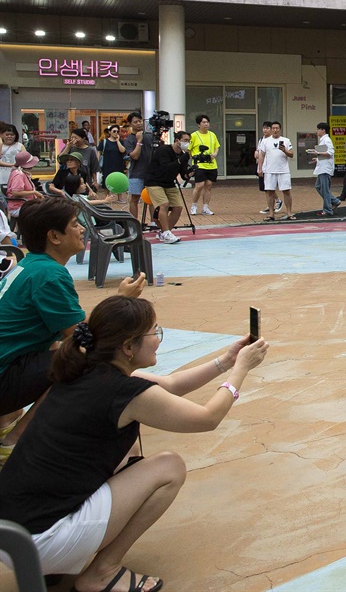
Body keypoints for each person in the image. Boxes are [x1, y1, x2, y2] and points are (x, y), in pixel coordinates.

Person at [0, 294, 268, 589]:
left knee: (129, 445)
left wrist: (227, 361)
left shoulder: (83, 369)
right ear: (128, 346)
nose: (158, 338)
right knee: (169, 467)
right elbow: (208, 418)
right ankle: (103, 571)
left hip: (13, 534)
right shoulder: (125, 393)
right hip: (42, 541)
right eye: (154, 332)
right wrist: (241, 371)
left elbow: (172, 385)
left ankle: (58, 567)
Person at [0, 198, 146, 465]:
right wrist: (120, 299)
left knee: (54, 347)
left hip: (7, 369)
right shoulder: (49, 275)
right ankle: (16, 440)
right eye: (74, 224)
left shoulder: (31, 265)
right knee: (80, 362)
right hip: (4, 378)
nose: (82, 229)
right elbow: (84, 337)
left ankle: (8, 423)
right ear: (54, 236)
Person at [143, 130, 191, 245]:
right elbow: (166, 167)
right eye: (185, 140)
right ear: (177, 140)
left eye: (189, 141)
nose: (187, 143)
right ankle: (166, 233)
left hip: (169, 182)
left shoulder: (182, 155)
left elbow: (183, 175)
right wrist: (181, 160)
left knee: (178, 207)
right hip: (154, 181)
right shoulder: (164, 150)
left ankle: (165, 232)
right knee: (164, 204)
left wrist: (190, 173)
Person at [122, 112, 153, 223]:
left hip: (150, 173)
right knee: (134, 198)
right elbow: (134, 156)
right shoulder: (129, 140)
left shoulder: (149, 136)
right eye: (135, 122)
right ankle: (134, 223)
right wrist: (139, 141)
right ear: (130, 124)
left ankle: (154, 222)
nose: (139, 124)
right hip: (136, 173)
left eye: (140, 121)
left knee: (152, 199)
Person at [261, 121, 294, 220]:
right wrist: (260, 168)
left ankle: (289, 213)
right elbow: (262, 155)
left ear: (280, 129)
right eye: (273, 128)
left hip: (283, 170)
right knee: (270, 192)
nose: (275, 130)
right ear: (271, 130)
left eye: (277, 128)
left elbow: (292, 154)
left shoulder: (286, 140)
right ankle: (271, 214)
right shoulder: (265, 141)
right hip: (270, 170)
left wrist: (285, 150)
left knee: (286, 191)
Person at [188, 114, 220, 216]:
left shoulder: (212, 135)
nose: (206, 124)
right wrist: (193, 157)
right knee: (199, 185)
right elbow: (189, 149)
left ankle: (205, 207)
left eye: (207, 122)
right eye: (204, 122)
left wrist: (214, 154)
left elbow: (217, 146)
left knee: (209, 185)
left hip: (211, 164)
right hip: (199, 165)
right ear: (199, 124)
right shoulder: (193, 136)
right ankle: (194, 205)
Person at [310, 122, 341, 216]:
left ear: (323, 130)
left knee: (324, 189)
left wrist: (318, 154)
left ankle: (327, 209)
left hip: (325, 169)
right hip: (322, 167)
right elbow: (326, 154)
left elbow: (330, 152)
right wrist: (318, 158)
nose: (317, 131)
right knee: (319, 186)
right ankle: (334, 201)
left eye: (318, 129)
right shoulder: (323, 140)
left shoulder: (327, 140)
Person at [5, 151, 41, 221]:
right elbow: (15, 193)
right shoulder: (19, 175)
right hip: (18, 207)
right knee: (46, 212)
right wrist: (34, 192)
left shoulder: (23, 173)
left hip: (25, 204)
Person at [254, 122, 280, 215]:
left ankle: (273, 205)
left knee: (268, 187)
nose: (265, 130)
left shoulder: (273, 140)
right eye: (264, 128)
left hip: (269, 167)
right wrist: (256, 152)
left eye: (267, 128)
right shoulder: (261, 139)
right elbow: (259, 150)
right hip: (262, 166)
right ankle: (273, 203)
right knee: (265, 188)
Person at [98, 124, 128, 203]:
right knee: (106, 179)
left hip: (118, 163)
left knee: (119, 179)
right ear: (109, 132)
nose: (116, 133)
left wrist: (117, 141)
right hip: (107, 163)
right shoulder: (104, 142)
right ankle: (107, 197)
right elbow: (99, 153)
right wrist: (97, 164)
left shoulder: (120, 141)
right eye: (114, 131)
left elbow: (122, 150)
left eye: (117, 131)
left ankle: (119, 197)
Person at [69, 128, 101, 195]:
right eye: (72, 137)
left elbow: (93, 168)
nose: (73, 140)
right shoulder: (71, 149)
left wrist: (95, 181)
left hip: (85, 183)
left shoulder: (90, 150)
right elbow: (60, 159)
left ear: (83, 138)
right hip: (71, 183)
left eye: (76, 138)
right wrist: (68, 147)